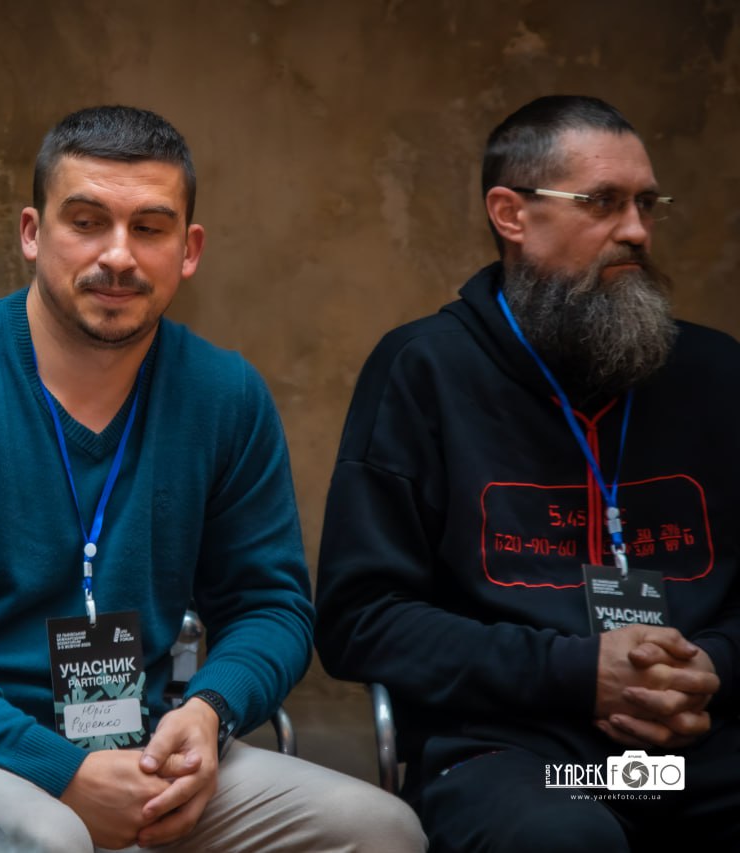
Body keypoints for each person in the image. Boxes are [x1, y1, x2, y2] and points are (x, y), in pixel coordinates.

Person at [0, 105, 424, 852]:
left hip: (144, 746)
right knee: (54, 837)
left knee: (379, 829)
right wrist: (62, 769)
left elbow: (271, 605)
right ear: (32, 233)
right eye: (86, 222)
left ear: (189, 250)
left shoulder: (223, 395)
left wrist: (209, 712)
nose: (118, 255)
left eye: (149, 228)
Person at [315, 94, 740, 852]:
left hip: (697, 746)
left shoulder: (715, 372)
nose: (636, 231)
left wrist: (713, 663)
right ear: (510, 214)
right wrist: (578, 671)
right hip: (522, 754)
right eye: (603, 203)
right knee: (561, 836)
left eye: (646, 204)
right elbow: (362, 619)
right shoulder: (425, 370)